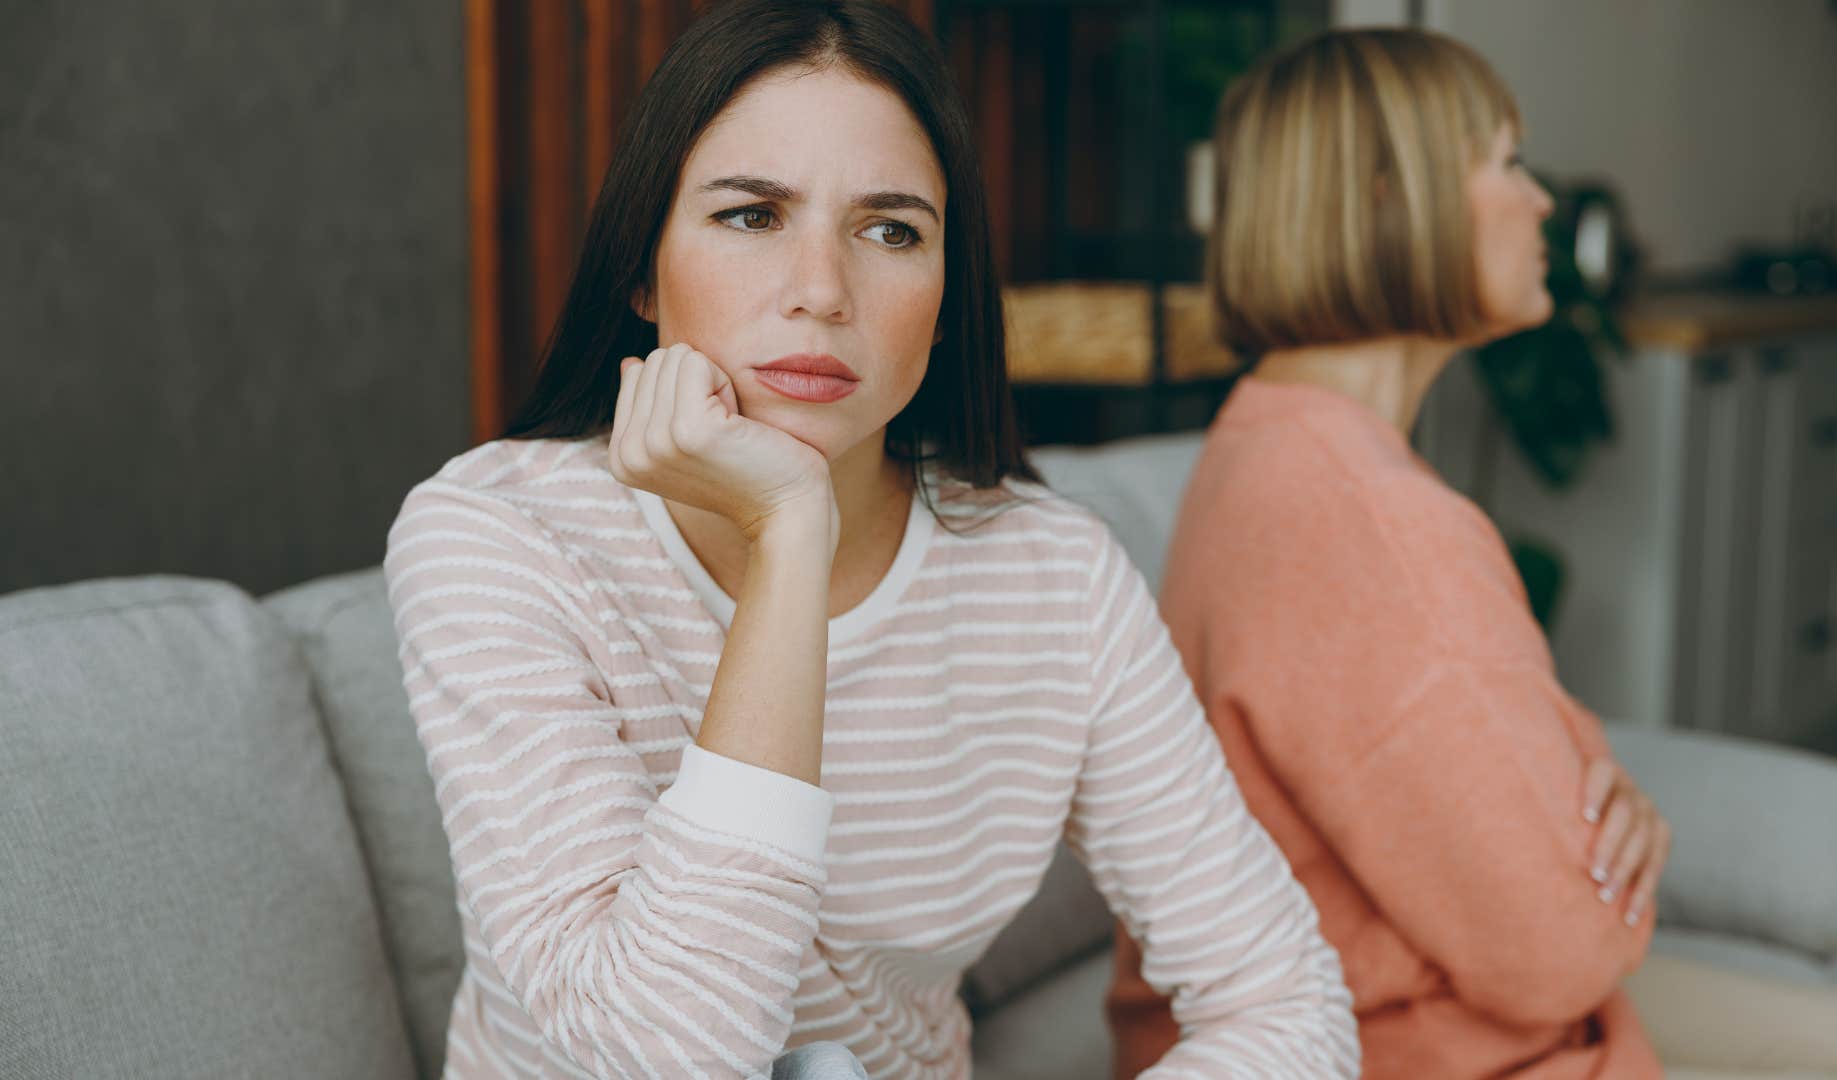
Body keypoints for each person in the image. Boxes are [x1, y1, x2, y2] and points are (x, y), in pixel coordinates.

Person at [383, 1, 1359, 1076]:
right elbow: (660, 1058)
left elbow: (1286, 1002)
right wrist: (791, 535)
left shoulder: (1057, 578)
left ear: (945, 307)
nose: (821, 291)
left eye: (891, 229)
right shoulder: (498, 538)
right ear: (642, 273)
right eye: (753, 215)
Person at [1104, 26, 1837, 1080]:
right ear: (1395, 202)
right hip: (1396, 1051)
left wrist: (1588, 780)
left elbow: (1503, 764)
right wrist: (1592, 811)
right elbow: (1562, 954)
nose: (1544, 202)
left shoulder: (1264, 437)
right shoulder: (1379, 525)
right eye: (1506, 161)